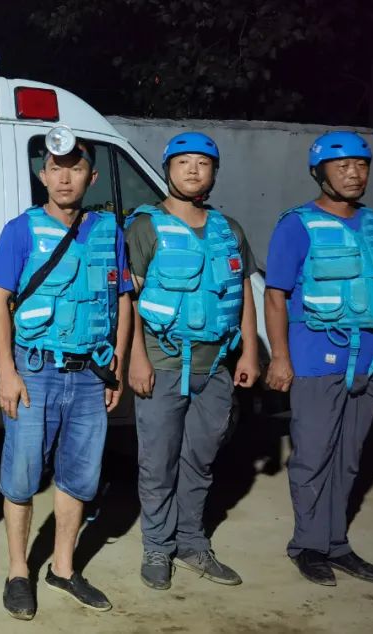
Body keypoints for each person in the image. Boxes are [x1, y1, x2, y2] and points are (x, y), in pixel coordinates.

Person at [0, 130, 132, 620]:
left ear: (91, 177)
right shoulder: (21, 230)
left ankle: (63, 569)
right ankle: (18, 572)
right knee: (21, 476)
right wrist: (5, 372)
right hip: (34, 370)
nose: (65, 178)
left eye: (75, 168)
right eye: (55, 168)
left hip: (91, 374)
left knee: (80, 475)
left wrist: (117, 365)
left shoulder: (110, 232)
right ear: (43, 176)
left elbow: (123, 301)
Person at [264, 130, 373, 587]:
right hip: (315, 360)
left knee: (349, 458)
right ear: (319, 173)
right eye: (342, 166)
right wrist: (280, 357)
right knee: (313, 456)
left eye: (361, 165)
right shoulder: (297, 225)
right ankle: (307, 546)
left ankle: (336, 543)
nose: (353, 173)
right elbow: (275, 295)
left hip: (368, 361)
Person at [124, 132, 260, 591]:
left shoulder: (229, 230)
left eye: (203, 163)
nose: (194, 170)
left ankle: (191, 543)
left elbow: (243, 294)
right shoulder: (145, 227)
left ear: (214, 172)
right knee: (158, 463)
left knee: (200, 461)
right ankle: (157, 547)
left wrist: (250, 351)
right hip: (163, 364)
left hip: (215, 367)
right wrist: (136, 359)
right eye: (183, 162)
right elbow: (129, 300)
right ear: (168, 170)